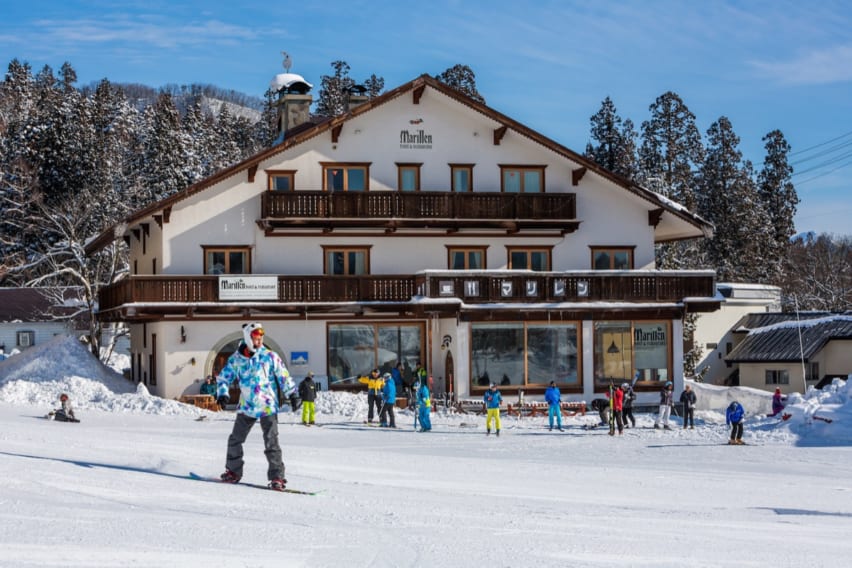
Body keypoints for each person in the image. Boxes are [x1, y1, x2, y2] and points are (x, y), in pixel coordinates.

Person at [216, 322, 297, 491]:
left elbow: (283, 376)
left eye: (261, 338)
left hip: (268, 406)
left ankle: (277, 478)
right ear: (247, 338)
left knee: (271, 442)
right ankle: (233, 472)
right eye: (255, 338)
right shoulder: (236, 359)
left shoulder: (269, 356)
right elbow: (224, 378)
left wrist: (292, 393)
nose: (259, 341)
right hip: (247, 407)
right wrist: (223, 394)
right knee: (235, 440)